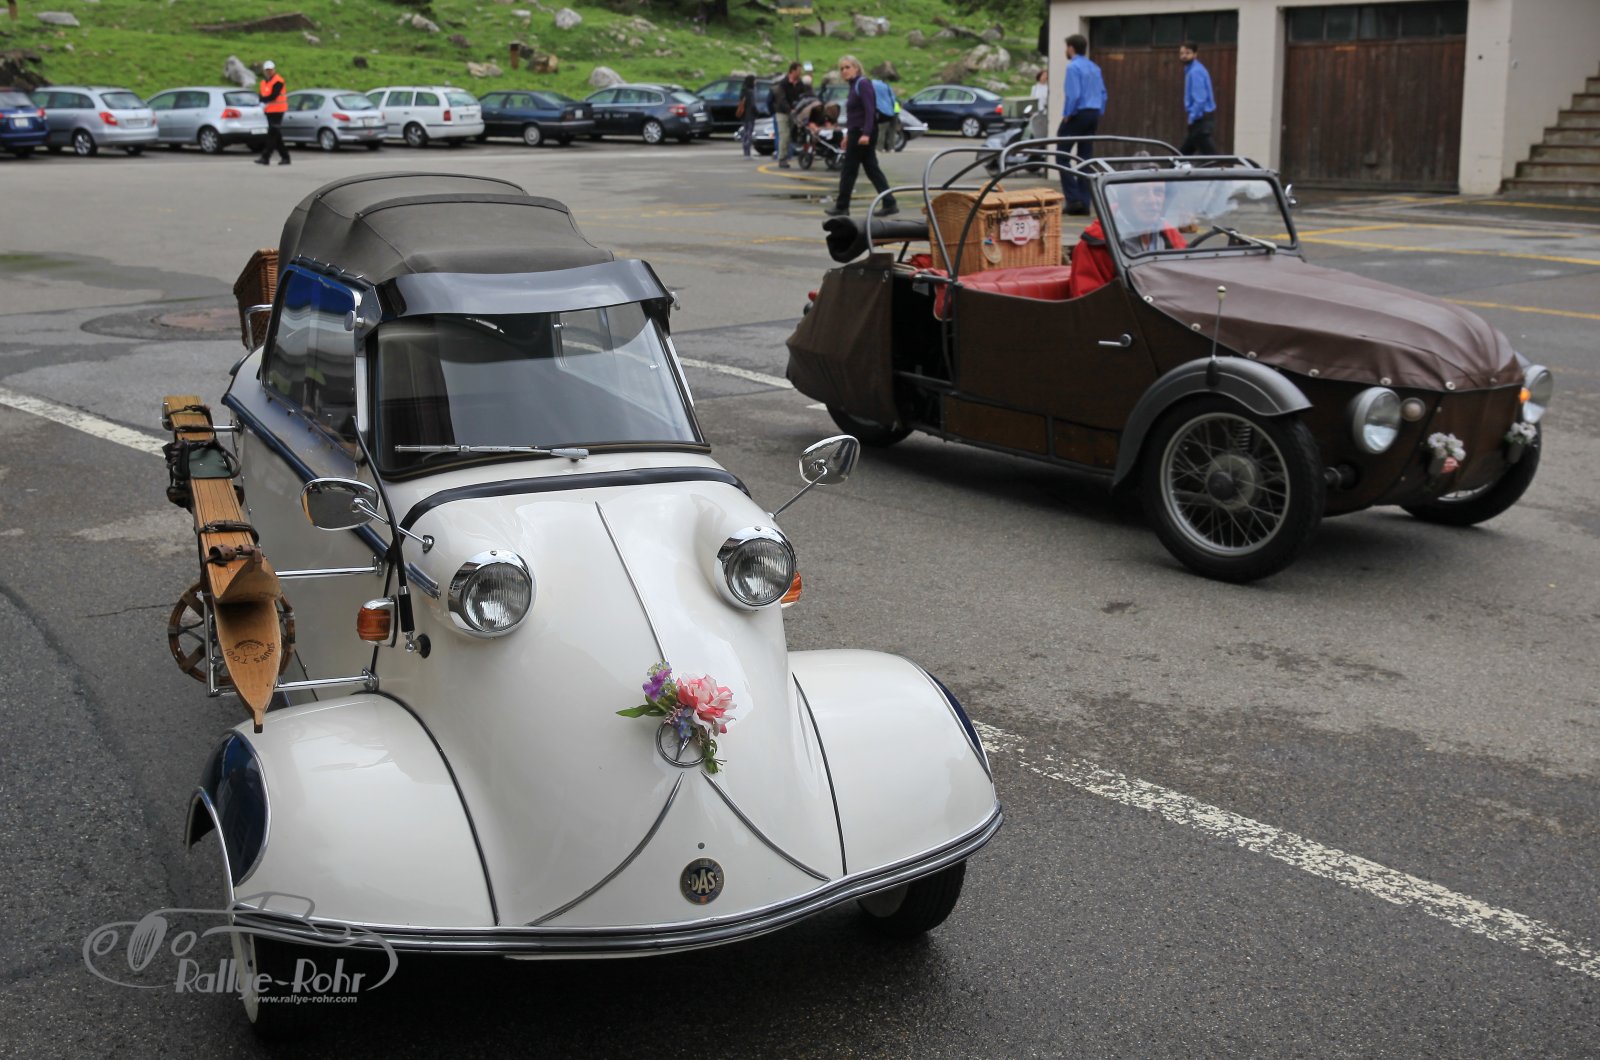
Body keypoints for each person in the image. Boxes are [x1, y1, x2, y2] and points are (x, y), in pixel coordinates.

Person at [1066, 179, 1186, 298]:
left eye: (1158, 192)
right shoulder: (1094, 245)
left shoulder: (1172, 237)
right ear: (1126, 199)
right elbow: (1089, 303)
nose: (1152, 200)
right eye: (1142, 192)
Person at [825, 55, 898, 218]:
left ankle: (842, 206)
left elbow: (869, 110)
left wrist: (865, 134)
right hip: (857, 132)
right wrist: (848, 135)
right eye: (842, 68)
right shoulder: (854, 86)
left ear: (857, 68)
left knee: (849, 170)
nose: (844, 71)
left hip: (863, 133)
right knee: (871, 169)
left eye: (847, 67)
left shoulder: (863, 84)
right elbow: (854, 115)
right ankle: (889, 202)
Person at [1056, 34, 1106, 215]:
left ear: (1071, 48)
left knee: (1062, 155)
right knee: (1085, 157)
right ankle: (1085, 202)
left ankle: (1073, 199)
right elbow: (1103, 93)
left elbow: (1074, 94)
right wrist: (1099, 111)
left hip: (1078, 113)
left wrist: (1067, 114)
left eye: (1066, 47)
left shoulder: (1073, 67)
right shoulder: (1095, 67)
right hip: (1093, 113)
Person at [1179, 41, 1217, 156]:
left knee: (1211, 155)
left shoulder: (1195, 72)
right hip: (1200, 119)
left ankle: (1221, 165)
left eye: (1188, 53)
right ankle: (1173, 167)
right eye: (1182, 53)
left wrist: (1192, 117)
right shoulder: (1191, 70)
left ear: (1195, 54)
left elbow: (1200, 99)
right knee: (1184, 153)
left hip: (1201, 119)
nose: (1184, 56)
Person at [253, 59, 290, 166]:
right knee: (276, 135)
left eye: (270, 69)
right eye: (267, 70)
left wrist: (263, 100)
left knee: (272, 134)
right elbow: (261, 95)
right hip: (269, 110)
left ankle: (266, 157)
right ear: (265, 71)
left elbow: (274, 95)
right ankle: (285, 157)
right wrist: (261, 101)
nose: (269, 71)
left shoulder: (278, 81)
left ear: (274, 69)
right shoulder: (264, 82)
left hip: (278, 110)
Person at [771, 62, 804, 169]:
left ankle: (794, 154)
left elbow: (803, 96)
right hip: (782, 112)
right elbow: (781, 99)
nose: (800, 72)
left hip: (794, 112)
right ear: (793, 71)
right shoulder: (783, 84)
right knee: (784, 135)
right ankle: (782, 158)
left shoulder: (800, 84)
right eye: (799, 70)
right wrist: (789, 109)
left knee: (791, 135)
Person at [870, 75, 900, 153]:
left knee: (881, 131)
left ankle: (879, 148)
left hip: (884, 111)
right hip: (895, 110)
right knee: (892, 131)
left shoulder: (874, 86)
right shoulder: (887, 87)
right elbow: (894, 99)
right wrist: (896, 111)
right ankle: (891, 148)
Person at [735, 73, 757, 159]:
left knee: (745, 133)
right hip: (750, 115)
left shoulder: (743, 91)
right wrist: (757, 112)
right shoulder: (751, 92)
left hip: (744, 115)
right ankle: (748, 153)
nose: (755, 82)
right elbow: (753, 105)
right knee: (749, 133)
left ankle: (745, 151)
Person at [1027, 68, 1051, 139]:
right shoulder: (1035, 88)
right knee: (1036, 132)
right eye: (1043, 75)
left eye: (1046, 75)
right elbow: (1032, 99)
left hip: (1045, 112)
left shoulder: (1048, 87)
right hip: (1036, 113)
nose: (1045, 77)